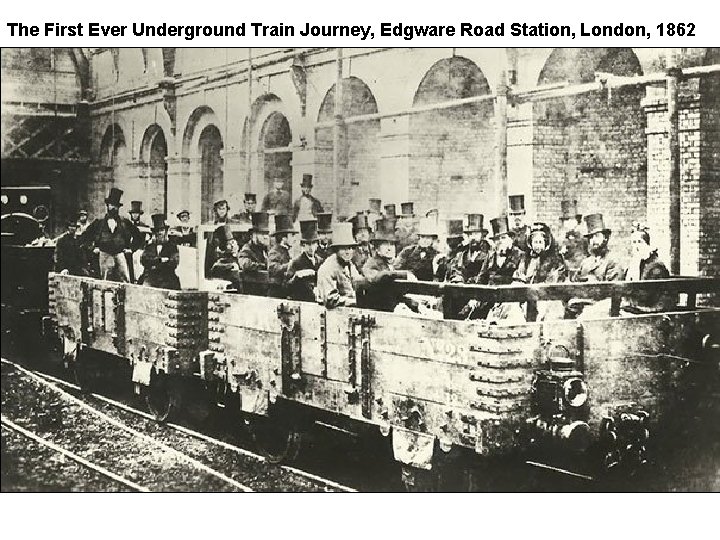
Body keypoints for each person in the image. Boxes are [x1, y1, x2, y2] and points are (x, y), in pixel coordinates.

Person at [82, 187, 141, 282]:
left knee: (125, 281)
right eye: (111, 205)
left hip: (120, 255)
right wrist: (92, 249)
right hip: (104, 255)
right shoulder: (99, 223)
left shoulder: (125, 222)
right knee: (105, 283)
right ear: (107, 206)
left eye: (116, 206)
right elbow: (85, 237)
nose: (113, 208)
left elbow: (138, 237)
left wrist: (131, 249)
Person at [361, 218, 417, 312]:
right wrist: (403, 274)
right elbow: (377, 277)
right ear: (377, 249)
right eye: (385, 245)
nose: (390, 249)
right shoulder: (371, 264)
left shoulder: (390, 264)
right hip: (378, 313)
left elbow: (393, 292)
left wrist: (409, 302)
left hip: (390, 310)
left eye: (392, 245)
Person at [622, 224, 672, 312]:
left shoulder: (656, 266)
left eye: (639, 242)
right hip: (637, 306)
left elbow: (650, 295)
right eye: (634, 242)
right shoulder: (635, 264)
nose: (636, 246)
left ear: (647, 244)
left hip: (651, 308)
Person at [316, 222, 362, 308]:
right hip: (334, 314)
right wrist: (352, 301)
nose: (348, 252)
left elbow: (358, 283)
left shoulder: (350, 265)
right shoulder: (327, 268)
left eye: (350, 248)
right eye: (343, 248)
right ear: (336, 249)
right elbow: (330, 299)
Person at [576, 214, 624, 282]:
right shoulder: (585, 263)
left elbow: (615, 289)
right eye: (591, 237)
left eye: (597, 236)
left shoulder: (613, 261)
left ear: (605, 238)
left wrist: (593, 281)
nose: (593, 240)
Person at [140, 214, 181, 290]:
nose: (159, 233)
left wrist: (154, 263)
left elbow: (174, 262)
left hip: (167, 278)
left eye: (161, 230)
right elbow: (143, 260)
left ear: (165, 232)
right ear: (154, 233)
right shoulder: (149, 247)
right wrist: (160, 260)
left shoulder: (172, 247)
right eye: (157, 231)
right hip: (151, 278)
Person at [448, 214, 491, 284]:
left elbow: (489, 274)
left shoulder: (490, 252)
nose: (473, 237)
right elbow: (457, 270)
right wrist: (458, 279)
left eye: (476, 234)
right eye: (470, 234)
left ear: (483, 236)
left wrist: (473, 280)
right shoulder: (463, 252)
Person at [286, 220, 322, 302]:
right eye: (308, 244)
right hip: (301, 301)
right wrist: (297, 276)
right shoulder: (296, 262)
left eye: (313, 244)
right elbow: (286, 287)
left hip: (318, 301)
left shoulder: (320, 261)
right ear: (303, 245)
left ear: (317, 244)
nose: (311, 248)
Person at [395, 217, 440, 282]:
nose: (425, 240)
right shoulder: (407, 252)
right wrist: (407, 274)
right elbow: (397, 268)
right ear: (418, 238)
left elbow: (438, 277)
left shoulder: (436, 255)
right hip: (409, 286)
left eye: (428, 238)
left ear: (432, 240)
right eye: (423, 237)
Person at [238, 212, 271, 296]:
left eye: (267, 233)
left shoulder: (266, 249)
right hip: (252, 295)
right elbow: (245, 265)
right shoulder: (247, 249)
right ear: (253, 235)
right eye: (262, 233)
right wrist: (264, 266)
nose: (266, 236)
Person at [268, 214, 297, 298]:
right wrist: (291, 264)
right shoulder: (274, 251)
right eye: (292, 235)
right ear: (283, 238)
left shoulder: (286, 251)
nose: (294, 238)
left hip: (286, 292)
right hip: (276, 295)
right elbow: (273, 268)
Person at [208, 225, 243, 291]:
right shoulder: (221, 266)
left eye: (233, 242)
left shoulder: (235, 261)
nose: (234, 245)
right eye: (230, 243)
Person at [558, 200, 586, 279]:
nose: (567, 223)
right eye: (566, 220)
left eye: (571, 220)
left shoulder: (582, 239)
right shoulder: (562, 240)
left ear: (577, 221)